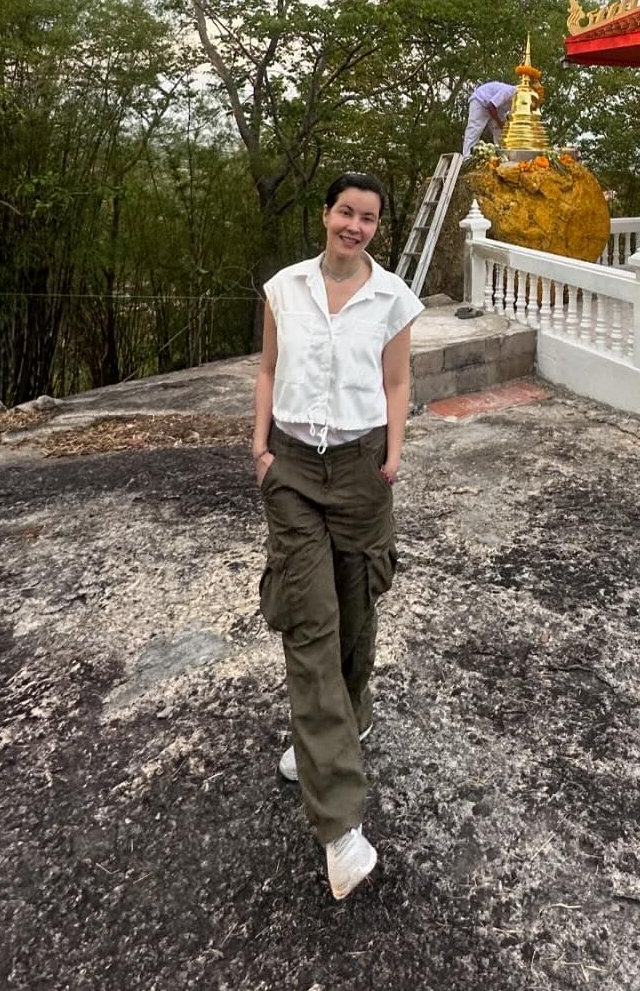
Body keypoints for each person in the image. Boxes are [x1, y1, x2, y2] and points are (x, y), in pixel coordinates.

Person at [252, 171, 423, 899]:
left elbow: (398, 383)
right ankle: (340, 827)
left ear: (377, 229)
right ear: (325, 215)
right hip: (291, 468)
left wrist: (393, 455)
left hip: (360, 471)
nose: (354, 226)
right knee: (310, 624)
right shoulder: (283, 288)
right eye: (345, 212)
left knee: (356, 614)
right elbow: (266, 368)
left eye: (368, 217)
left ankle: (336, 731)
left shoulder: (393, 298)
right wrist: (259, 450)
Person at [461, 80, 516, 154]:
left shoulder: (522, 102)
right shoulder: (511, 91)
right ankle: (467, 158)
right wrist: (499, 122)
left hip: (497, 108)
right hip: (481, 101)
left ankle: (501, 156)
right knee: (474, 130)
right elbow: (491, 106)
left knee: (501, 132)